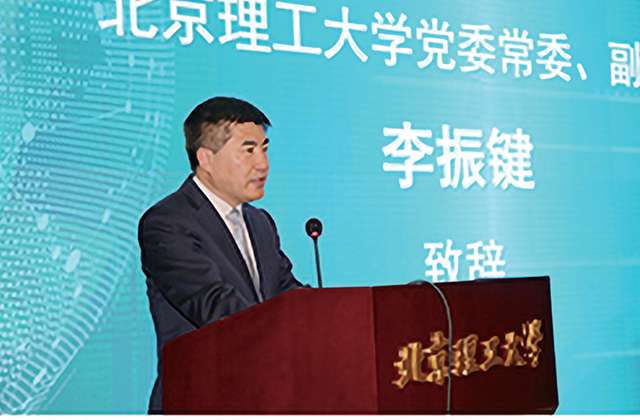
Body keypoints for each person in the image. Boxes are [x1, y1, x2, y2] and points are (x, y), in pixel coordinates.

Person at [137, 96, 305, 413]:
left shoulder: (260, 222)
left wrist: (329, 316)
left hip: (264, 399)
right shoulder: (167, 223)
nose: (263, 164)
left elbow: (285, 292)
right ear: (206, 159)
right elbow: (214, 305)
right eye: (249, 150)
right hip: (200, 400)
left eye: (265, 149)